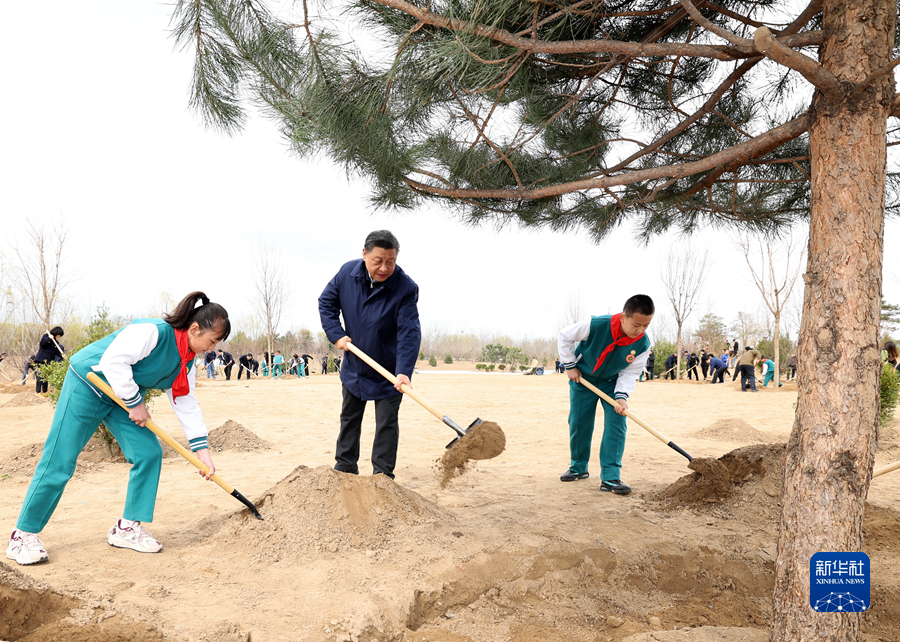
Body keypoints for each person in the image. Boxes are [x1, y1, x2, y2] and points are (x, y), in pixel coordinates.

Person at [6, 292, 229, 566]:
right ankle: (22, 534)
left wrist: (202, 451)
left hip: (120, 397)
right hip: (88, 384)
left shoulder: (186, 360)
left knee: (148, 453)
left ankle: (127, 529)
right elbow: (113, 361)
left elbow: (186, 402)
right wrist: (136, 403)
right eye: (212, 341)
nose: (212, 348)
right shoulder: (153, 332)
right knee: (60, 459)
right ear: (195, 329)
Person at [319, 230, 421, 480]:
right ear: (364, 254)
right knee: (349, 418)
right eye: (378, 260)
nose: (384, 268)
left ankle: (382, 475)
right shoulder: (347, 274)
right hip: (355, 365)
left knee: (386, 423)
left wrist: (404, 372)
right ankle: (345, 468)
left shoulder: (405, 288)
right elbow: (326, 303)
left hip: (389, 371)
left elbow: (409, 332)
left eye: (391, 261)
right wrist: (336, 334)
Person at [557, 295, 653, 495]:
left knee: (617, 424)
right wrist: (570, 366)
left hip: (613, 382)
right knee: (579, 423)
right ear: (623, 317)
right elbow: (565, 336)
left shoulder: (643, 343)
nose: (641, 330)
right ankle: (578, 467)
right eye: (636, 325)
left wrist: (621, 396)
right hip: (583, 379)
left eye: (646, 325)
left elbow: (631, 372)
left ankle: (610, 477)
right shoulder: (596, 324)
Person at [34, 327, 65, 394]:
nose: (59, 336)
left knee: (46, 376)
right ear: (57, 332)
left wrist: (61, 355)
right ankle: (38, 391)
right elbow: (42, 344)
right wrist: (49, 338)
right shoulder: (46, 336)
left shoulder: (55, 342)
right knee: (40, 375)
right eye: (59, 335)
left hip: (49, 361)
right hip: (41, 359)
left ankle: (44, 391)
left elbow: (57, 351)